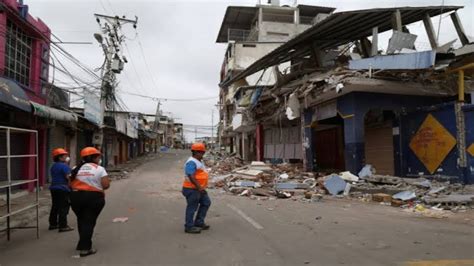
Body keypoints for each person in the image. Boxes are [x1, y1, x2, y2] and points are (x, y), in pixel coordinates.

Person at [69, 147, 110, 257]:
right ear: (94, 157)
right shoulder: (100, 169)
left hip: (75, 197)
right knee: (89, 221)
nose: (99, 158)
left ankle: (82, 243)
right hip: (94, 198)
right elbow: (106, 185)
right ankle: (85, 249)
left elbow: (69, 183)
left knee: (81, 219)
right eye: (98, 156)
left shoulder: (75, 168)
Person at [182, 143, 211, 234]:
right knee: (192, 207)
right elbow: (191, 175)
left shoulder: (198, 161)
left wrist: (201, 187)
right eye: (200, 152)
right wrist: (199, 188)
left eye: (203, 152)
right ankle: (189, 226)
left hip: (199, 188)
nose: (202, 154)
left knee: (206, 202)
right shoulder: (191, 162)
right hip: (192, 189)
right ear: (195, 152)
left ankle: (199, 222)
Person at [48, 148, 74, 232]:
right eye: (65, 155)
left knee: (55, 206)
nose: (67, 157)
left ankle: (53, 224)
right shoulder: (64, 166)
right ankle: (63, 226)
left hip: (54, 188)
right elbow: (68, 177)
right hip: (62, 189)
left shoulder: (53, 166)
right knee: (63, 207)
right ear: (59, 157)